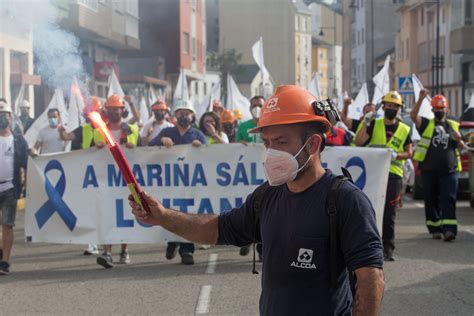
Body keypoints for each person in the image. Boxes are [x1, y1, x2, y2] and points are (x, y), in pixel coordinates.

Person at [131, 85, 384, 315]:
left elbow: (370, 278)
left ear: (313, 144)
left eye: (281, 141)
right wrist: (163, 216)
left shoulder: (346, 201)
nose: (271, 151)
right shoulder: (267, 196)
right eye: (267, 142)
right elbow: (215, 229)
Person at [354, 91, 412, 261]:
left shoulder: (404, 129)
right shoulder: (374, 124)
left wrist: (397, 156)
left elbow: (409, 152)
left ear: (399, 108)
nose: (391, 108)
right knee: (368, 210)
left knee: (389, 213)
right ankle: (367, 246)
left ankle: (387, 248)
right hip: (374, 174)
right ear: (384, 106)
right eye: (389, 105)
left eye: (395, 106)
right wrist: (366, 121)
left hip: (393, 176)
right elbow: (358, 141)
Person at [149, 99, 207, 265]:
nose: (184, 116)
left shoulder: (197, 134)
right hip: (170, 183)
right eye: (181, 113)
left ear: (193, 116)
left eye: (187, 114)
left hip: (191, 184)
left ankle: (187, 250)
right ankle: (172, 242)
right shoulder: (167, 132)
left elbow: (211, 155)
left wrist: (201, 146)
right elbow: (150, 146)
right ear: (175, 116)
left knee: (188, 215)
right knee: (171, 212)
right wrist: (161, 142)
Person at [411, 89, 467, 242]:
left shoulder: (453, 125)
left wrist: (459, 139)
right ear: (432, 109)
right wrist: (421, 99)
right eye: (436, 108)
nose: (439, 111)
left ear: (446, 109)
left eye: (442, 108)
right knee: (431, 199)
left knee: (448, 199)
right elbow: (413, 116)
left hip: (450, 170)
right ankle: (435, 228)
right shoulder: (426, 124)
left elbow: (461, 147)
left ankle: (449, 230)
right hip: (429, 170)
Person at [94, 94, 141, 268]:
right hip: (106, 180)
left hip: (126, 180)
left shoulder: (131, 130)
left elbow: (144, 152)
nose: (114, 112)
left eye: (117, 109)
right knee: (107, 215)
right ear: (107, 110)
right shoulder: (99, 129)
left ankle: (124, 250)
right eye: (111, 109)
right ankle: (107, 252)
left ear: (122, 110)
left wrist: (134, 148)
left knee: (126, 215)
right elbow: (89, 155)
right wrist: (96, 147)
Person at [59, 96, 102, 255]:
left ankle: (103, 240)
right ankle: (92, 243)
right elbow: (67, 137)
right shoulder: (83, 129)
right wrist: (61, 131)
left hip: (102, 174)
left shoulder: (107, 129)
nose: (91, 115)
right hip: (86, 175)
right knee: (88, 209)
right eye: (89, 113)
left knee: (101, 209)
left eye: (94, 112)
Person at [0, 101, 28, 275]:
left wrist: (27, 185)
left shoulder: (18, 140)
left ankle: (5, 261)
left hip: (10, 188)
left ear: (11, 118)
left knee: (7, 225)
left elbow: (26, 164)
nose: (3, 118)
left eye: (6, 115)